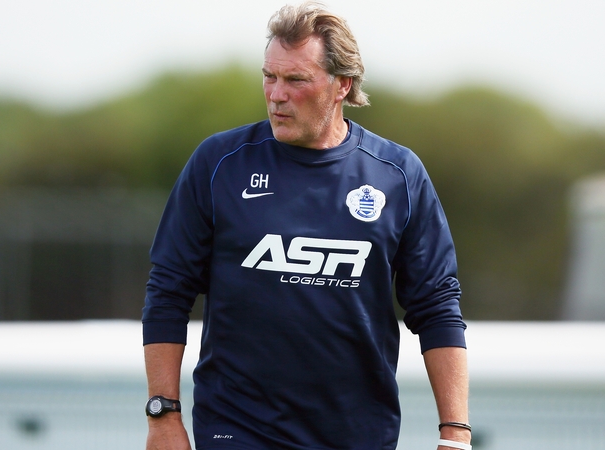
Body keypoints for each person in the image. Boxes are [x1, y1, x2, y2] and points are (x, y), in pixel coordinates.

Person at [142, 2, 471, 449]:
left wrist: (455, 433)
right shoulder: (219, 164)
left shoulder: (397, 175)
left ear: (342, 85)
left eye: (296, 79)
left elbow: (436, 307)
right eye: (269, 76)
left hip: (357, 433)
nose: (276, 94)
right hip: (238, 428)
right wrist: (163, 416)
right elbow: (167, 291)